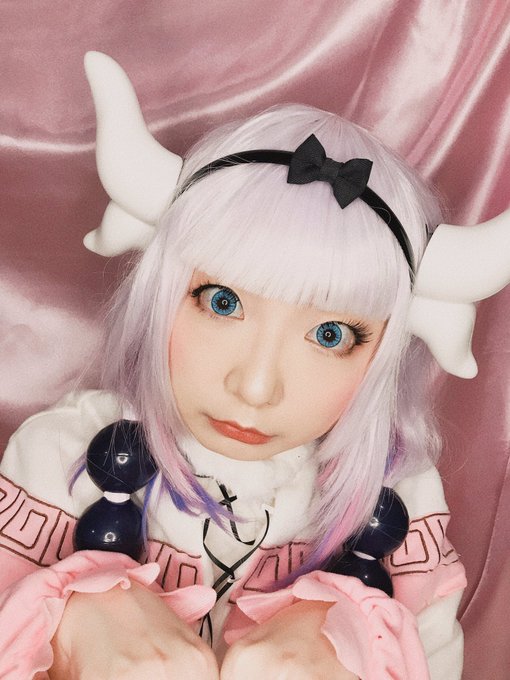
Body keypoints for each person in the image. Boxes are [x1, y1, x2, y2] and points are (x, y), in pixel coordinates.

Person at [0, 54, 476, 679]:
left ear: (384, 352)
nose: (254, 387)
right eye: (222, 302)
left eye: (330, 335)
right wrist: (70, 617)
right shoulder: (59, 457)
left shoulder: (401, 498)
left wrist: (357, 639)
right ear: (162, 294)